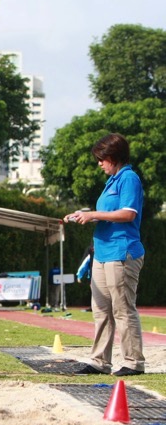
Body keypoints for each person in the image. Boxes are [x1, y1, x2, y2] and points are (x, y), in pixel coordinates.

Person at [65, 133, 146, 377]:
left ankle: (134, 362)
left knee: (123, 308)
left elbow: (128, 214)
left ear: (113, 157)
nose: (99, 163)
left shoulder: (128, 178)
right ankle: (100, 361)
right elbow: (108, 212)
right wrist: (84, 213)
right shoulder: (111, 181)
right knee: (100, 309)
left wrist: (94, 215)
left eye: (102, 159)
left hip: (122, 252)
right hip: (102, 253)